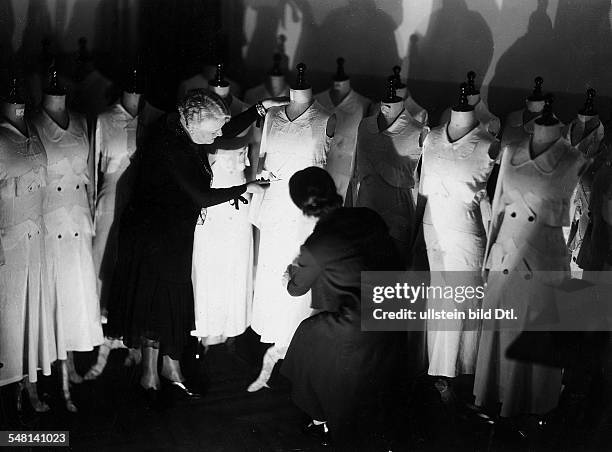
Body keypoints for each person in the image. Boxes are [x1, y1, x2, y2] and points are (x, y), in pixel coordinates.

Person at [106, 89, 284, 400]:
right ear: (194, 123)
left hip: (169, 230)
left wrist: (259, 108)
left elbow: (222, 128)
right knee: (158, 300)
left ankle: (168, 369)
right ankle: (151, 376)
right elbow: (201, 197)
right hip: (153, 236)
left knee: (167, 299)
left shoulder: (183, 126)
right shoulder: (170, 144)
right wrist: (247, 187)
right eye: (213, 130)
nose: (218, 136)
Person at [280, 167, 404, 447]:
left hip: (358, 328)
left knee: (306, 338)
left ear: (301, 206)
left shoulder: (317, 244)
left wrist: (290, 274)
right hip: (395, 314)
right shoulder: (368, 216)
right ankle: (329, 413)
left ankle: (320, 415)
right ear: (332, 189)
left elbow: (295, 289)